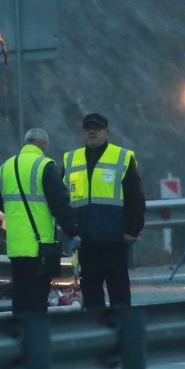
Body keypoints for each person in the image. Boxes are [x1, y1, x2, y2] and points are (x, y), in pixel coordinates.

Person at [63, 112, 144, 311]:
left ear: (106, 132)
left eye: (97, 128)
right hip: (85, 239)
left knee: (119, 290)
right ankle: (96, 334)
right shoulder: (70, 159)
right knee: (91, 293)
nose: (92, 132)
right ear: (82, 133)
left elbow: (136, 197)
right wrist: (72, 230)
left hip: (114, 238)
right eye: (88, 128)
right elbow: (64, 197)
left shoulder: (122, 157)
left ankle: (123, 333)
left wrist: (132, 230)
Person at [0, 128, 75, 314]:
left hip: (15, 244)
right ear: (44, 145)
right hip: (40, 244)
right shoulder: (45, 165)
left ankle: (20, 337)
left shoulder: (6, 166)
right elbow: (59, 203)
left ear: (25, 143)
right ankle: (36, 339)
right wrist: (74, 231)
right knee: (37, 298)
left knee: (20, 294)